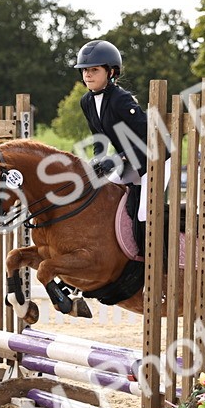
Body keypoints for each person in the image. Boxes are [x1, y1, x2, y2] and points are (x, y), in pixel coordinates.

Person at [75, 39, 152, 250]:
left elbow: (149, 137)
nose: (88, 75)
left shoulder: (121, 99)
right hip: (130, 161)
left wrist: (119, 158)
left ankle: (153, 257)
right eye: (85, 70)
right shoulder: (86, 101)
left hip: (154, 160)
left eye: (94, 70)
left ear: (110, 72)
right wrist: (98, 160)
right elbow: (99, 137)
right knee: (101, 196)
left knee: (144, 213)